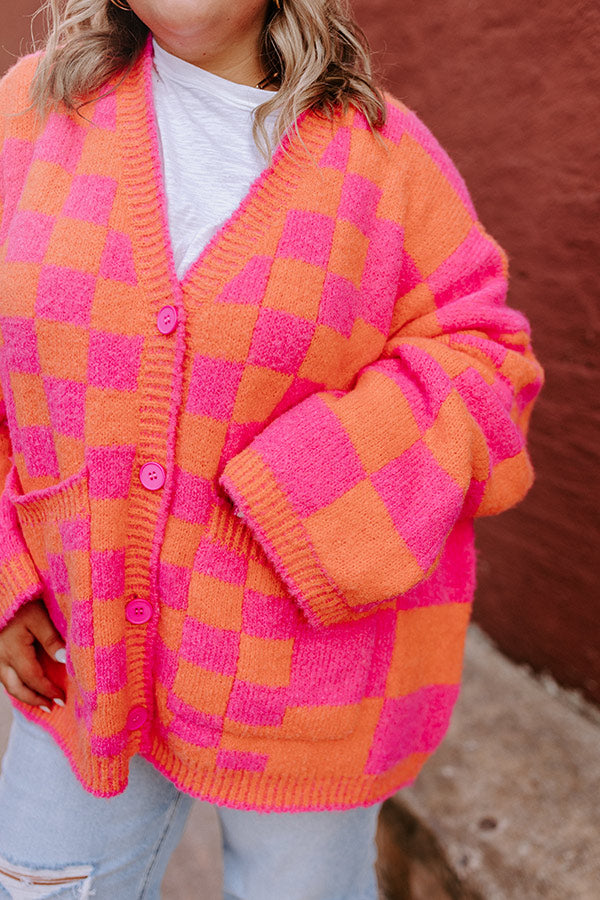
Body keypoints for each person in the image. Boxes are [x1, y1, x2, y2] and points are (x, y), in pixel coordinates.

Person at [0, 0, 544, 897]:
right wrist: (10, 567)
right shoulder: (32, 116)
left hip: (307, 684)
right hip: (80, 653)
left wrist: (308, 493)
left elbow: (487, 360)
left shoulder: (385, 158)